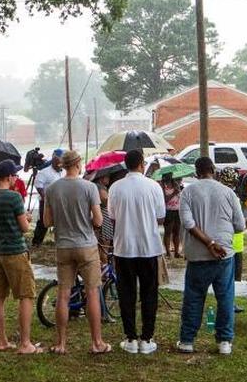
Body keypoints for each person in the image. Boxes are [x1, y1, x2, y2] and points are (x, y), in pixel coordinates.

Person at [176, 156, 247, 355]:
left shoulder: (187, 193)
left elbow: (188, 224)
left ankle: (187, 341)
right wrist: (216, 242)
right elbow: (240, 225)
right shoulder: (228, 193)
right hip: (223, 255)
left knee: (193, 298)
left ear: (196, 173)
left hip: (197, 255)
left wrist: (208, 243)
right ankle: (224, 341)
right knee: (225, 298)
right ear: (213, 170)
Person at [43, 149, 109, 355]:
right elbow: (98, 221)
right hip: (86, 246)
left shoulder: (52, 189)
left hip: (63, 246)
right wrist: (85, 220)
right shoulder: (89, 187)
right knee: (92, 293)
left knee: (63, 294)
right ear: (78, 164)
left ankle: (61, 343)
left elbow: (47, 221)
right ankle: (97, 342)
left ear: (63, 165)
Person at [0, 159, 42, 355]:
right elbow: (24, 228)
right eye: (15, 175)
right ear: (8, 177)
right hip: (15, 251)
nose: (16, 177)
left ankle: (2, 341)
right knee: (26, 295)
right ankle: (25, 344)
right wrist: (26, 218)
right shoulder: (14, 198)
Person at [107, 149, 166, 355]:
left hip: (124, 248)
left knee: (127, 293)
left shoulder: (115, 187)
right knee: (150, 293)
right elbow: (160, 215)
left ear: (126, 165)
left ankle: (131, 337)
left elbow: (112, 216)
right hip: (149, 246)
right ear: (142, 164)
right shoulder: (153, 186)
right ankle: (147, 338)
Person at [32, 152, 63, 246]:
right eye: (59, 162)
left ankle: (59, 241)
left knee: (60, 221)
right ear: (53, 160)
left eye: (62, 162)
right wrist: (45, 199)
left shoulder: (63, 171)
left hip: (60, 201)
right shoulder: (44, 172)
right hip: (46, 201)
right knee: (43, 222)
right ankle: (36, 242)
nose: (60, 164)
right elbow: (38, 186)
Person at [161, 174, 183, 259]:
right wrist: (174, 193)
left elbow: (180, 198)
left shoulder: (176, 186)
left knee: (176, 233)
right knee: (168, 232)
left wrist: (178, 191)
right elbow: (165, 200)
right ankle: (168, 252)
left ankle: (177, 252)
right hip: (168, 211)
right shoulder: (163, 188)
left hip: (177, 211)